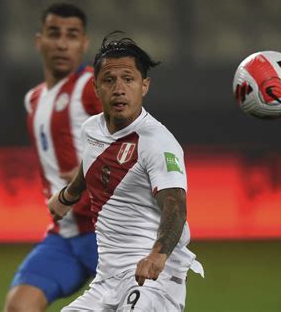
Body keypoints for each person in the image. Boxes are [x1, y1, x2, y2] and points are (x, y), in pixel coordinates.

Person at [48, 32, 204, 311]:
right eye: (109, 80)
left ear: (144, 86)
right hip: (106, 282)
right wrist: (68, 196)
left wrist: (157, 255)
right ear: (96, 88)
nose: (119, 88)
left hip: (154, 278)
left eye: (128, 79)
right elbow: (92, 163)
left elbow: (175, 204)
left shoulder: (157, 142)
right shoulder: (92, 129)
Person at [3, 3, 101, 312]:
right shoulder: (33, 99)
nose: (62, 43)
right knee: (19, 307)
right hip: (66, 236)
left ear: (84, 44)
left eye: (72, 35)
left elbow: (132, 138)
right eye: (54, 33)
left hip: (109, 235)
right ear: (39, 41)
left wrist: (93, 168)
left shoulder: (92, 87)